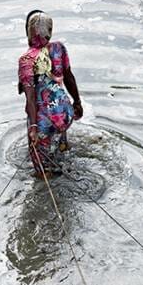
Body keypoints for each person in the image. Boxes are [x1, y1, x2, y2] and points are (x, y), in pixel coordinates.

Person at [18, 10, 83, 177]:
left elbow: (31, 98)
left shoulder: (26, 60)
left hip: (43, 119)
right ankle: (62, 149)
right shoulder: (59, 48)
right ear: (50, 31)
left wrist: (33, 127)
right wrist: (77, 102)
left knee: (42, 167)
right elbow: (68, 76)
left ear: (28, 32)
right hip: (63, 112)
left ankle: (45, 175)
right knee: (60, 149)